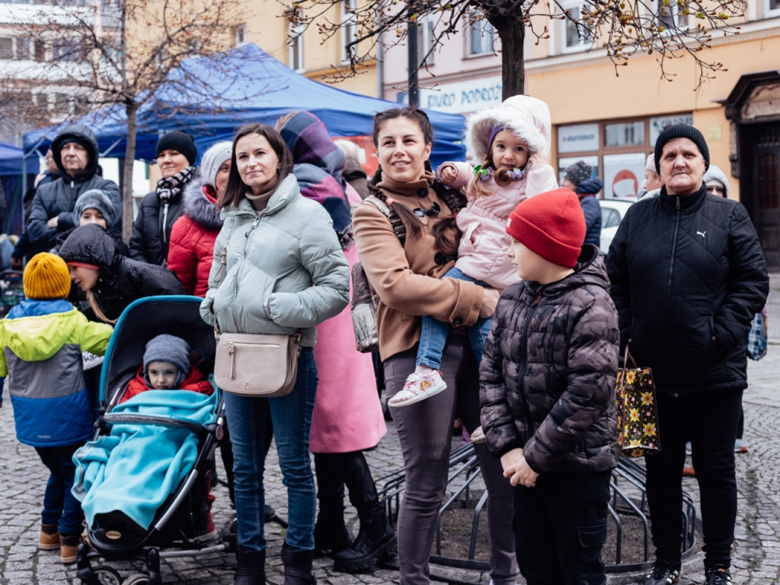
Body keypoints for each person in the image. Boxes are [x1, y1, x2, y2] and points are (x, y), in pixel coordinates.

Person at [352, 106, 519, 585]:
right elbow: (396, 287)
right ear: (377, 151)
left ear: (427, 148)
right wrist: (479, 297)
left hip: (484, 347)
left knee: (503, 462)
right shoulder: (372, 211)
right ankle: (414, 579)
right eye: (389, 142)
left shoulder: (456, 192)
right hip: (415, 352)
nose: (399, 150)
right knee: (427, 476)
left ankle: (507, 575)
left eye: (409, 141)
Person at [606, 125, 769, 585]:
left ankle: (718, 563)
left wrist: (722, 334)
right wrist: (627, 332)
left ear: (702, 163)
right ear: (658, 166)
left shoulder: (730, 214)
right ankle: (666, 561)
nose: (679, 161)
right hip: (649, 372)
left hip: (715, 370)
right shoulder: (637, 218)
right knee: (661, 473)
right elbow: (613, 280)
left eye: (689, 154)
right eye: (670, 154)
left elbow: (752, 282)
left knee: (716, 471)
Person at [200, 123, 349, 585]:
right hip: (237, 356)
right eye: (242, 157)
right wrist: (212, 305)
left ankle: (298, 562)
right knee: (243, 469)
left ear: (279, 158)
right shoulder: (233, 218)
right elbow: (217, 281)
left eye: (259, 154)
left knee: (294, 468)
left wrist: (277, 307)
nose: (251, 164)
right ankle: (250, 560)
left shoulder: (309, 216)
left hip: (288, 356)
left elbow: (337, 288)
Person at [480, 187, 619, 585]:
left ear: (545, 248)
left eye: (515, 243)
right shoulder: (511, 298)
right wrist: (507, 446)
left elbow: (588, 392)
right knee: (535, 562)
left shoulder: (593, 304)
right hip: (523, 466)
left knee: (578, 569)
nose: (508, 252)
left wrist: (533, 458)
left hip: (576, 471)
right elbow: (490, 374)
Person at [388, 95, 558, 408]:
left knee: (438, 298)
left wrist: (539, 170)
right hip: (482, 260)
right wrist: (450, 170)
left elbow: (541, 205)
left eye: (519, 149)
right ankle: (500, 397)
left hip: (486, 262)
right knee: (483, 330)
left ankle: (426, 368)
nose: (508, 155)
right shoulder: (484, 174)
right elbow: (466, 172)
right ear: (489, 148)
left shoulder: (527, 183)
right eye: (502, 146)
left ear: (530, 152)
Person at [276, 111, 390, 571]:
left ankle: (376, 527)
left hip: (325, 321)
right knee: (325, 428)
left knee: (334, 428)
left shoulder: (307, 187)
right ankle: (331, 524)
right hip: (338, 318)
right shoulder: (333, 182)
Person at [0, 253, 113, 564]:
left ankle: (47, 531)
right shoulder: (73, 322)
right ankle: (68, 538)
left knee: (58, 472)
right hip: (68, 417)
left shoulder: (7, 325)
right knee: (76, 473)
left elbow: (0, 369)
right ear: (64, 285)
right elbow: (106, 341)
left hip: (28, 419)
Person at [59, 223, 185, 324]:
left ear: (92, 259)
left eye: (74, 267)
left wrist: (151, 325)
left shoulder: (130, 271)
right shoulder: (100, 290)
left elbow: (172, 289)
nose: (71, 276)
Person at [26, 125, 122, 253]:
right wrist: (82, 228)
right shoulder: (44, 191)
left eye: (78, 148)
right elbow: (35, 234)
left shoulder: (107, 188)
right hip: (53, 268)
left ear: (90, 154)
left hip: (94, 269)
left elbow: (107, 230)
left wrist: (60, 220)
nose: (71, 153)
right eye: (66, 147)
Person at [167, 141, 230, 296]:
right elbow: (179, 290)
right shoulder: (186, 227)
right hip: (206, 317)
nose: (233, 174)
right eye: (225, 168)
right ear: (212, 176)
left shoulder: (263, 217)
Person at [130, 131, 199, 265]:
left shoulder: (202, 194)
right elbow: (137, 246)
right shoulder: (149, 200)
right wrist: (150, 277)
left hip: (191, 282)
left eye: (174, 153)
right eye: (161, 155)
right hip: (154, 282)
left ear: (188, 158)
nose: (166, 160)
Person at [121, 334, 214, 403]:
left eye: (169, 372)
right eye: (154, 372)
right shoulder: (135, 388)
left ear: (181, 373)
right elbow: (122, 412)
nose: (161, 380)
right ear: (146, 372)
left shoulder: (199, 390)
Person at [11, 149, 61, 268]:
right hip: (45, 252)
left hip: (49, 253)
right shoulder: (45, 181)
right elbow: (33, 222)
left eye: (49, 157)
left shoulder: (46, 183)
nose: (46, 160)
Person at [52, 189, 128, 256]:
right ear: (78, 219)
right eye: (86, 217)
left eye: (100, 217)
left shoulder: (119, 249)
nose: (93, 222)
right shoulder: (62, 248)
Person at [574, 175, 603, 248]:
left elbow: (582, 227)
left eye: (565, 180)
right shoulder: (584, 200)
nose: (562, 184)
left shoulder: (590, 202)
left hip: (586, 254)